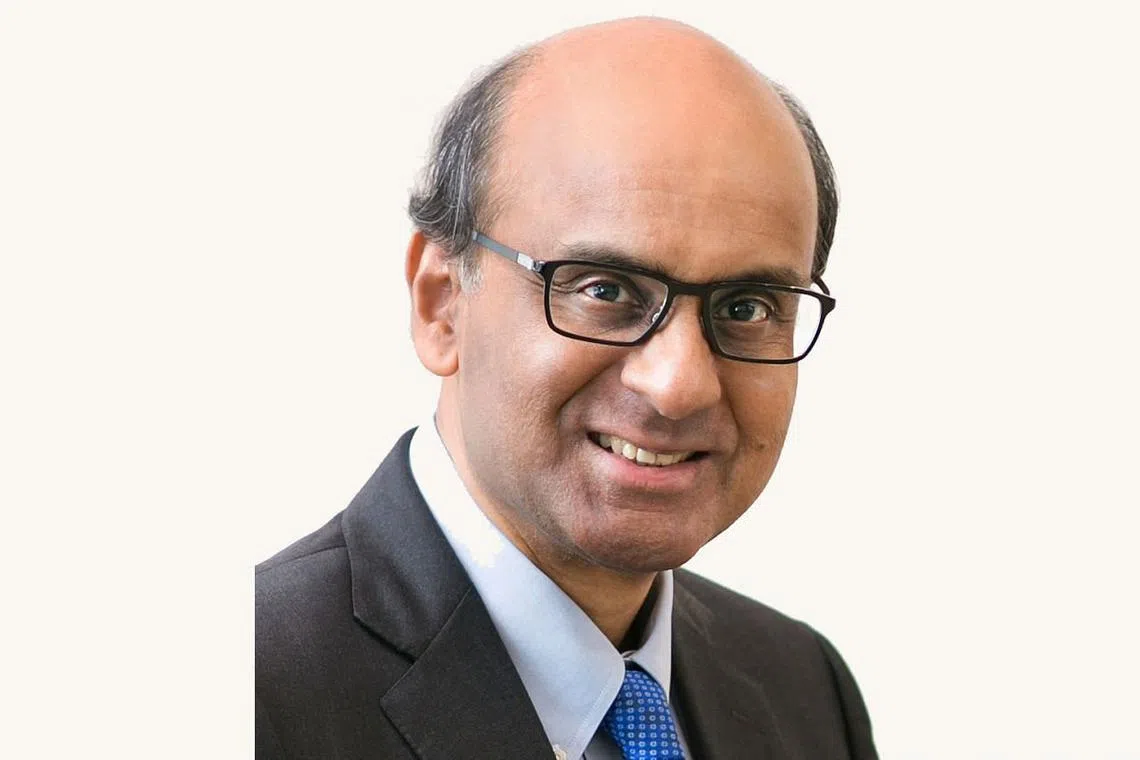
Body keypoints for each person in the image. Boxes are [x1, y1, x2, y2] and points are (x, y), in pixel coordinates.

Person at [256, 16, 878, 760]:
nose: (678, 385)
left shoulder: (804, 689)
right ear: (441, 303)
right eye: (604, 289)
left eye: (746, 308)